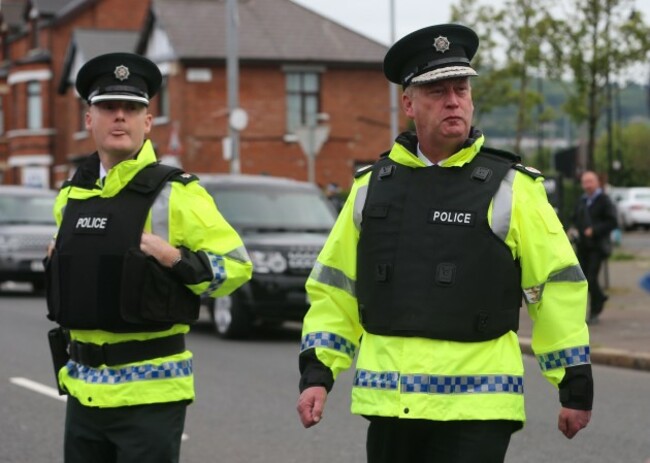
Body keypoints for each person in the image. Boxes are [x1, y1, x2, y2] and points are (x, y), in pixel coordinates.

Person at [296, 24, 593, 463]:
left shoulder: (513, 187)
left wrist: (573, 381)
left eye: (462, 89)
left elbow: (555, 285)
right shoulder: (370, 188)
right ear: (409, 103)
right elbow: (335, 290)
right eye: (437, 90)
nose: (453, 100)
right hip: (391, 405)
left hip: (479, 407)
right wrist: (318, 373)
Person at [45, 52, 252, 463]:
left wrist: (174, 257)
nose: (118, 117)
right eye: (107, 107)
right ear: (90, 119)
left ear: (147, 122)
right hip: (83, 388)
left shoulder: (177, 193)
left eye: (131, 108)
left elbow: (237, 268)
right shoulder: (71, 196)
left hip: (150, 394)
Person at [570, 171, 618, 324]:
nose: (588, 185)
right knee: (582, 279)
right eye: (585, 182)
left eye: (590, 181)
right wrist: (572, 229)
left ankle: (595, 310)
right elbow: (574, 218)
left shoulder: (604, 200)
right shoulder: (581, 201)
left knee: (591, 278)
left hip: (597, 246)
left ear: (597, 182)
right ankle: (599, 298)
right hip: (583, 246)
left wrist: (595, 230)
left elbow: (612, 222)